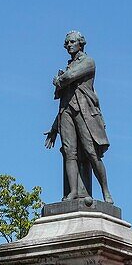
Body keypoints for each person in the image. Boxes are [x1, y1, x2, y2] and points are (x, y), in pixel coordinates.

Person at [44, 30, 113, 203]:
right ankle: (73, 192)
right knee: (69, 153)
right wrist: (54, 128)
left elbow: (69, 77)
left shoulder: (88, 62)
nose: (68, 45)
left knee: (91, 152)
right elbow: (65, 99)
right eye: (66, 43)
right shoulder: (68, 66)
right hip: (67, 112)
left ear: (81, 43)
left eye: (72, 42)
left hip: (85, 113)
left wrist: (58, 80)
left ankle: (106, 192)